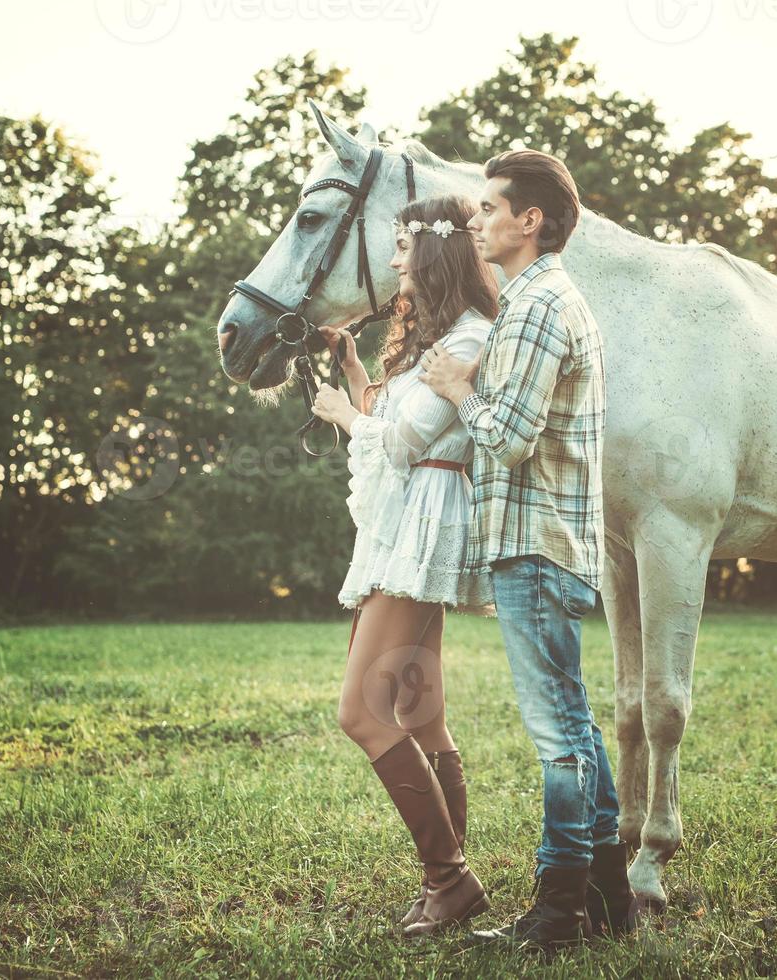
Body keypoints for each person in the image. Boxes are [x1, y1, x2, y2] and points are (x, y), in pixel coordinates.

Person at [421, 149, 634, 954]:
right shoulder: (532, 301)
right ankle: (610, 903)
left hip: (539, 544)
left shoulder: (540, 306)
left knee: (559, 738)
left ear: (530, 220)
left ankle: (557, 915)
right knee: (574, 726)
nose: (476, 222)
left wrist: (453, 388)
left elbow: (506, 439)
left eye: (488, 208)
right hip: (539, 543)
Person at [309, 194, 498, 938]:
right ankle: (444, 881)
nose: (391, 263)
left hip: (424, 532)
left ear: (432, 253)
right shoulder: (440, 337)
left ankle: (451, 879)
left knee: (362, 712)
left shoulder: (473, 335)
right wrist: (356, 374)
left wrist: (342, 414)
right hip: (407, 525)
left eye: (400, 249)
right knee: (421, 715)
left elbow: (404, 441)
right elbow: (396, 426)